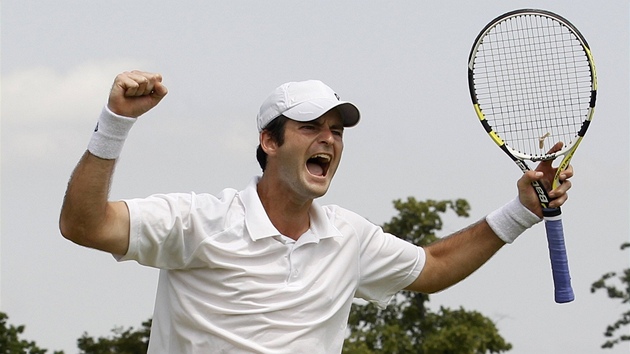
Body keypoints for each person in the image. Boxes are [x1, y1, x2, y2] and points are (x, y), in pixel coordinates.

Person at [59, 70, 573, 353]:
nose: (328, 138)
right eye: (310, 126)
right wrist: (115, 123)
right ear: (268, 141)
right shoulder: (197, 220)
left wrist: (522, 210)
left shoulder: (349, 235)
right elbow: (84, 225)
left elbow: (433, 269)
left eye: (338, 130)